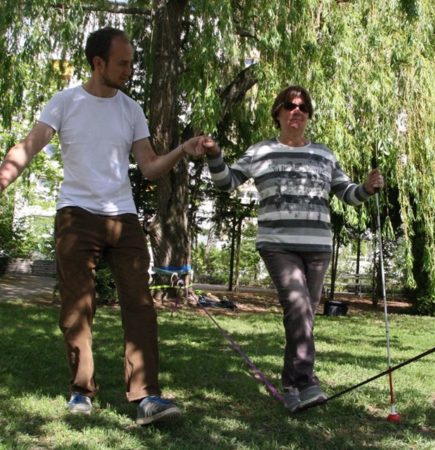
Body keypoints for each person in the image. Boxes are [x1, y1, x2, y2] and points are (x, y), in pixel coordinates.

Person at [0, 27, 204, 425]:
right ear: (99, 63)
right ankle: (81, 392)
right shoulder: (65, 102)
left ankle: (146, 396)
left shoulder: (131, 109)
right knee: (77, 306)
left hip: (123, 218)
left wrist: (180, 150)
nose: (129, 69)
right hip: (76, 215)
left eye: (130, 62)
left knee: (140, 306)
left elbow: (148, 167)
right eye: (123, 62)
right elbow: (27, 147)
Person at [199, 85, 384, 412]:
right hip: (278, 245)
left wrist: (367, 188)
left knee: (305, 315)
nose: (296, 110)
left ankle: (292, 384)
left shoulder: (324, 155)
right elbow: (226, 182)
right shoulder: (260, 152)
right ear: (278, 113)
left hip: (318, 247)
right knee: (298, 307)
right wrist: (215, 155)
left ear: (309, 115)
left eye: (302, 106)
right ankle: (305, 381)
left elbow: (348, 194)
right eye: (289, 105)